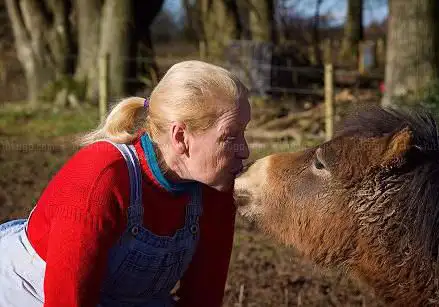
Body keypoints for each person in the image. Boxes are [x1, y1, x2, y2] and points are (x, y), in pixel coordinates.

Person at [0, 60, 251, 307]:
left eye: (245, 132)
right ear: (181, 137)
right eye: (230, 136)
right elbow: (67, 300)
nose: (245, 151)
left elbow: (203, 296)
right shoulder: (101, 178)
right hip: (33, 292)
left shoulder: (216, 186)